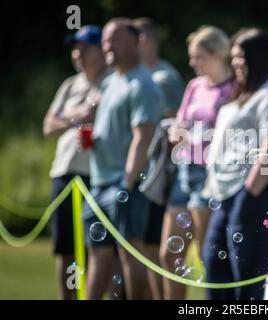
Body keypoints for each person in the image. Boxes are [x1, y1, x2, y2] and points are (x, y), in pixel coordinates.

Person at [202, 28, 268, 300]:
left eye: (241, 56)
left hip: (255, 193)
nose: (235, 63)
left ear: (258, 57)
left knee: (246, 281)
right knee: (215, 267)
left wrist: (251, 190)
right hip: (228, 193)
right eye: (233, 57)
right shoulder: (241, 92)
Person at [82, 18, 163, 300]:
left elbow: (143, 138)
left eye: (114, 39)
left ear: (135, 43)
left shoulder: (143, 85)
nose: (107, 46)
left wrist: (126, 184)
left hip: (125, 183)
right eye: (105, 40)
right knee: (98, 253)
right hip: (100, 181)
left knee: (130, 251)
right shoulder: (109, 82)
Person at [159, 25, 236, 300]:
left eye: (197, 56)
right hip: (184, 171)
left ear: (217, 55)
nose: (192, 62)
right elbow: (181, 123)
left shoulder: (234, 88)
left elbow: (234, 134)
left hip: (211, 175)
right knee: (169, 254)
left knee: (208, 255)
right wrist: (176, 132)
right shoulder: (194, 86)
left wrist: (203, 136)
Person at [43, 25, 108, 300]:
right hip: (64, 172)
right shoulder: (70, 84)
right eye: (75, 47)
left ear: (102, 51)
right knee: (65, 248)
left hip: (97, 175)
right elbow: (48, 126)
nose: (77, 53)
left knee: (98, 248)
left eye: (85, 47)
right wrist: (79, 115)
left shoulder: (111, 82)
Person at [133, 17, 185, 300]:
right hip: (144, 172)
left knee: (155, 246)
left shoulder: (164, 78)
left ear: (145, 41)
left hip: (160, 175)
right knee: (145, 245)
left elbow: (176, 124)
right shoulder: (136, 76)